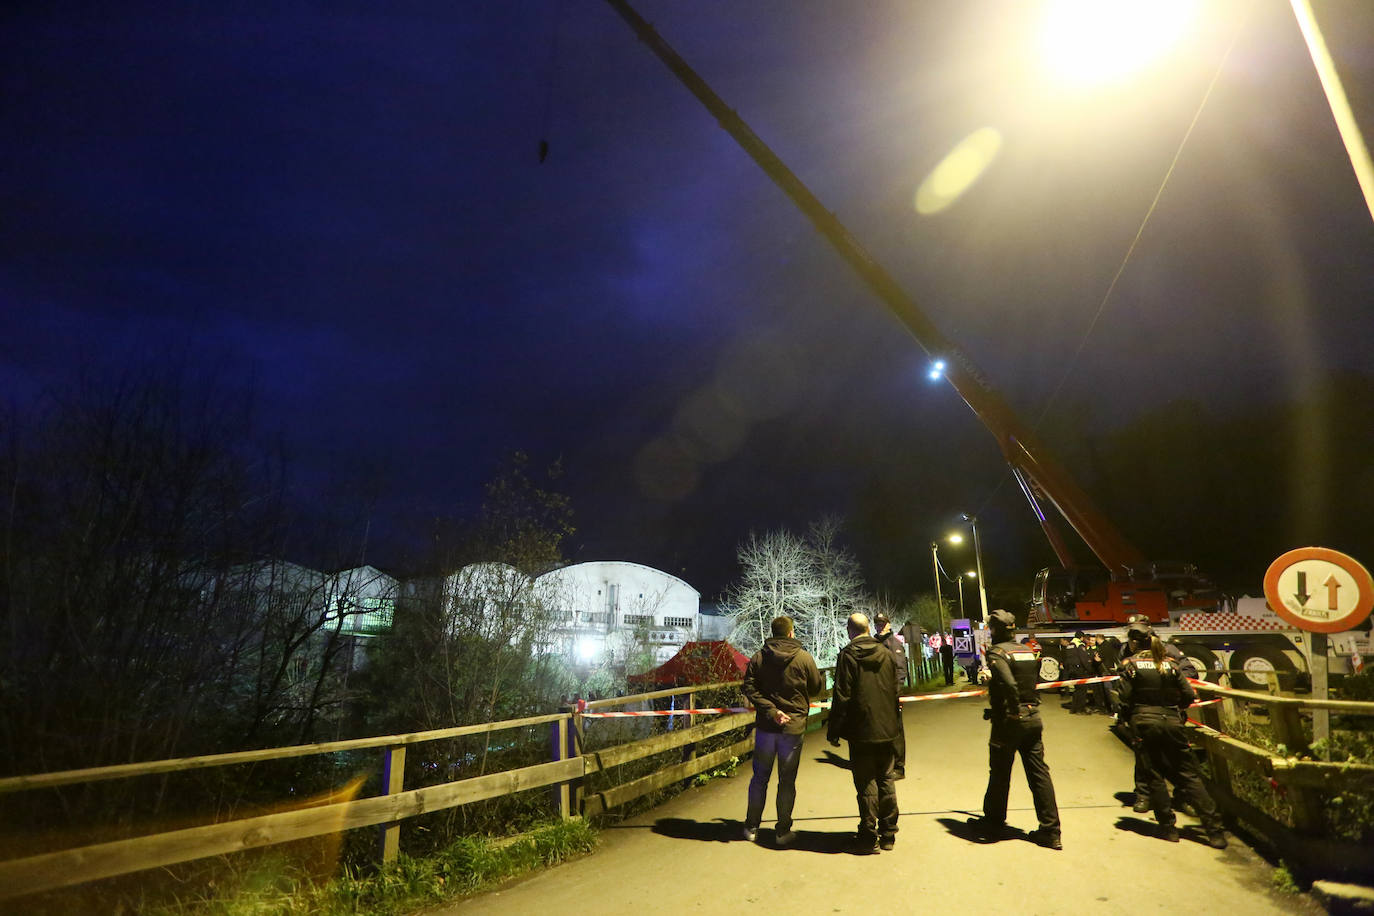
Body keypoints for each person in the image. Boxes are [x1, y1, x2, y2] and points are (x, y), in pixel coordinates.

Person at [1116, 624, 1227, 849]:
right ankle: (1215, 831)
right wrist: (1177, 710)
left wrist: (1128, 718)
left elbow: (1124, 699)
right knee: (1189, 776)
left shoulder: (1131, 666)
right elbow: (1188, 694)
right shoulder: (1171, 665)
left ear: (1134, 644)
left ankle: (1168, 828)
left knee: (1155, 776)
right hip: (1172, 722)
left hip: (1144, 723)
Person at [967, 609, 1062, 850]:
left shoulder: (997, 653)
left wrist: (1010, 709)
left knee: (999, 774)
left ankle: (993, 824)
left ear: (995, 630)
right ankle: (1051, 831)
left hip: (1010, 720)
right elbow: (1027, 681)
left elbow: (1009, 683)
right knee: (1039, 774)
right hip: (1033, 716)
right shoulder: (1027, 651)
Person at [740, 615, 823, 845]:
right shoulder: (804, 658)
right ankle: (782, 831)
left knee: (759, 778)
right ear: (790, 633)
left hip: (767, 728)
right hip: (793, 728)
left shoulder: (759, 657)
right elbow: (816, 687)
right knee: (786, 781)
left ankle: (752, 826)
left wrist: (771, 710)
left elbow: (748, 687)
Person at [827, 612, 900, 853]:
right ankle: (888, 833)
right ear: (868, 628)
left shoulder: (848, 655)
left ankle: (869, 836)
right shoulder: (887, 654)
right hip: (887, 728)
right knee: (886, 778)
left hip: (861, 730)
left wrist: (834, 729)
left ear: (850, 630)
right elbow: (894, 689)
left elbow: (842, 694)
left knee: (866, 782)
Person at [872, 612, 908, 779]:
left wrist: (896, 694)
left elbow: (901, 671)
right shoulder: (873, 643)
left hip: (891, 695)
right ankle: (885, 764)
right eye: (877, 623)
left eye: (882, 623)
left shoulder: (894, 644)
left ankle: (899, 767)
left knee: (896, 730)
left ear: (888, 624)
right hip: (876, 695)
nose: (879, 626)